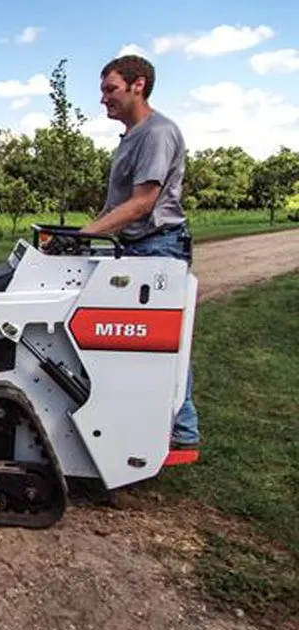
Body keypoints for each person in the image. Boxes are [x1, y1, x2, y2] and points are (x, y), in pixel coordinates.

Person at [80, 54, 201, 450]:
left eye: (110, 89)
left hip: (156, 246)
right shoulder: (132, 136)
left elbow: (142, 203)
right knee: (124, 342)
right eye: (103, 90)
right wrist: (85, 234)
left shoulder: (156, 133)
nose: (103, 99)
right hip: (136, 245)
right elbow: (117, 206)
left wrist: (81, 236)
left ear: (139, 85)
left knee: (158, 343)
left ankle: (181, 432)